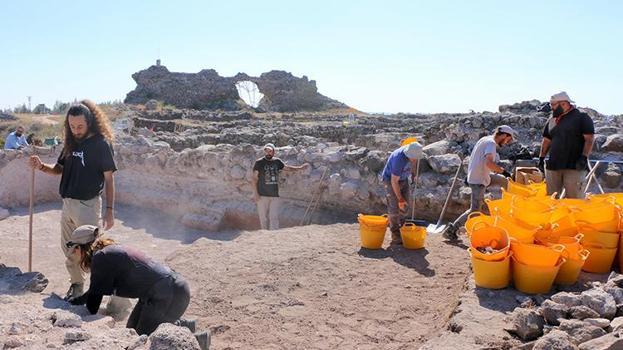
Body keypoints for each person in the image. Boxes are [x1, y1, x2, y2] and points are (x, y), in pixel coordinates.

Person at [29, 100, 117, 300]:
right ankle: (77, 286)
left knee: (92, 251)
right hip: (68, 203)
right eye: (72, 126)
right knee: (69, 249)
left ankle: (108, 290)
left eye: (80, 126)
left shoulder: (101, 144)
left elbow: (109, 179)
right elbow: (59, 169)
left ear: (90, 122)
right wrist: (42, 166)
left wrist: (110, 210)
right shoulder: (70, 142)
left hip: (88, 205)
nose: (76, 130)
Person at [66, 225, 203, 343]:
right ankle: (185, 325)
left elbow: (93, 305)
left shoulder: (101, 258)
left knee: (143, 341)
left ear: (82, 247)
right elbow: (95, 291)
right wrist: (76, 301)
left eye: (74, 249)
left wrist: (73, 315)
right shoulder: (106, 252)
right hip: (163, 292)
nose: (74, 254)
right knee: (131, 331)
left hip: (168, 294)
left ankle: (198, 340)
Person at [443, 125, 517, 240]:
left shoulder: (485, 139)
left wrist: (506, 175)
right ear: (503, 135)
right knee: (474, 209)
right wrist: (503, 171)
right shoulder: (491, 144)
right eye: (508, 139)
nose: (507, 142)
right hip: (478, 179)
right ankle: (451, 230)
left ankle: (512, 208)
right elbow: (489, 164)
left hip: (480, 175)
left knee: (505, 181)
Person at [538, 92, 594, 199]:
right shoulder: (552, 120)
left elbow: (589, 139)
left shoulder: (581, 117)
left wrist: (584, 157)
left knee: (575, 201)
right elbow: (546, 140)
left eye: (553, 105)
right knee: (551, 200)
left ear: (564, 104)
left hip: (574, 167)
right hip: (553, 166)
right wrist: (541, 158)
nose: (551, 108)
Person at [252, 143, 310, 230]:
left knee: (274, 217)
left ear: (273, 152)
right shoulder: (259, 162)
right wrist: (255, 193)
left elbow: (287, 168)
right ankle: (264, 235)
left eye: (270, 151)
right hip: (262, 195)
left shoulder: (277, 162)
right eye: (267, 151)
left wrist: (300, 168)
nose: (268, 153)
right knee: (263, 218)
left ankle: (274, 235)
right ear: (264, 151)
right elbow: (254, 179)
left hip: (274, 194)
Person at [381, 141, 424, 244]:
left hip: (403, 178)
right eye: (413, 158)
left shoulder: (412, 152)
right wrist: (400, 198)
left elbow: (413, 162)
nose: (414, 160)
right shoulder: (398, 159)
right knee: (394, 207)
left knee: (405, 205)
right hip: (390, 180)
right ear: (408, 154)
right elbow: (394, 181)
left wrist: (413, 174)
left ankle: (403, 229)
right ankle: (395, 234)